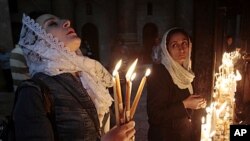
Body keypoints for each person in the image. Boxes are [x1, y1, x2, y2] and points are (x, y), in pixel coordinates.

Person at [13, 13, 135, 141]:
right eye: (52, 23)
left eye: (62, 20)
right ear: (39, 42)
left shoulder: (89, 78)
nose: (67, 22)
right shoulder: (32, 91)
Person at [147, 27, 207, 141]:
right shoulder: (159, 74)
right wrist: (185, 104)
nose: (181, 49)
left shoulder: (186, 71)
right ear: (166, 49)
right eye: (174, 45)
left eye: (184, 43)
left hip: (183, 134)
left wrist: (197, 103)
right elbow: (155, 115)